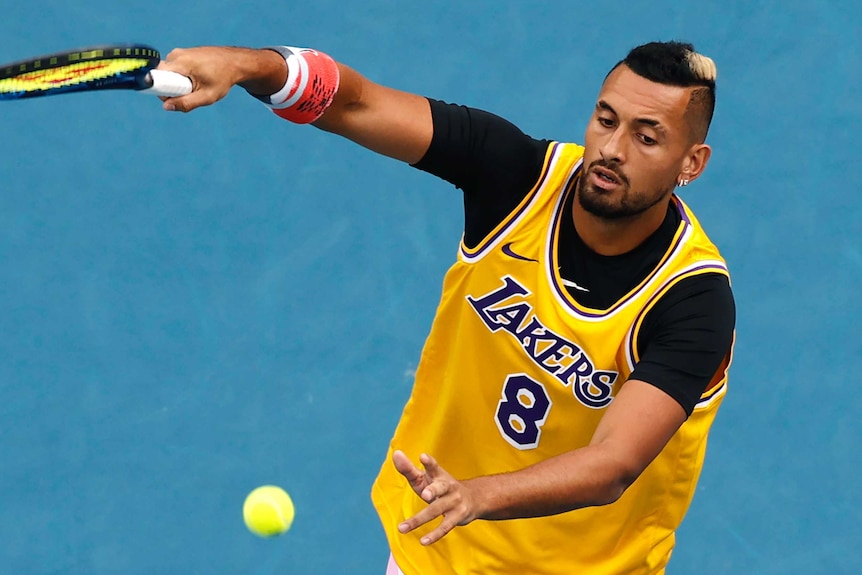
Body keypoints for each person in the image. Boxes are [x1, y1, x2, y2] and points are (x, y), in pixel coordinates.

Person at [158, 40, 736, 574]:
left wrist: (479, 495)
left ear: (692, 163)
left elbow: (614, 464)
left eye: (647, 136)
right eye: (606, 119)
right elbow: (357, 105)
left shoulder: (693, 301)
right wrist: (247, 66)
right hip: (438, 547)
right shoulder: (516, 177)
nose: (611, 149)